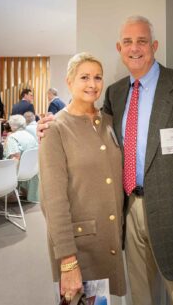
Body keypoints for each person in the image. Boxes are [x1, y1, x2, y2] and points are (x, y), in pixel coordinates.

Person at [38, 16, 173, 305]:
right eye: (128, 42)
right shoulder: (116, 93)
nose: (135, 48)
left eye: (142, 41)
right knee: (140, 295)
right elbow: (89, 132)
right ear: (119, 48)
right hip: (128, 211)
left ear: (154, 46)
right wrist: (47, 125)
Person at [38, 53, 126, 301]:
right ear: (69, 81)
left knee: (101, 301)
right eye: (84, 77)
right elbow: (53, 201)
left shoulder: (109, 122)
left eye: (98, 77)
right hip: (78, 248)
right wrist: (67, 260)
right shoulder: (55, 128)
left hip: (107, 241)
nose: (92, 84)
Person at [4, 114, 38, 202]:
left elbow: (15, 157)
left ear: (12, 126)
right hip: (32, 170)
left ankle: (10, 195)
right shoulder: (30, 136)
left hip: (19, 172)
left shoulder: (12, 137)